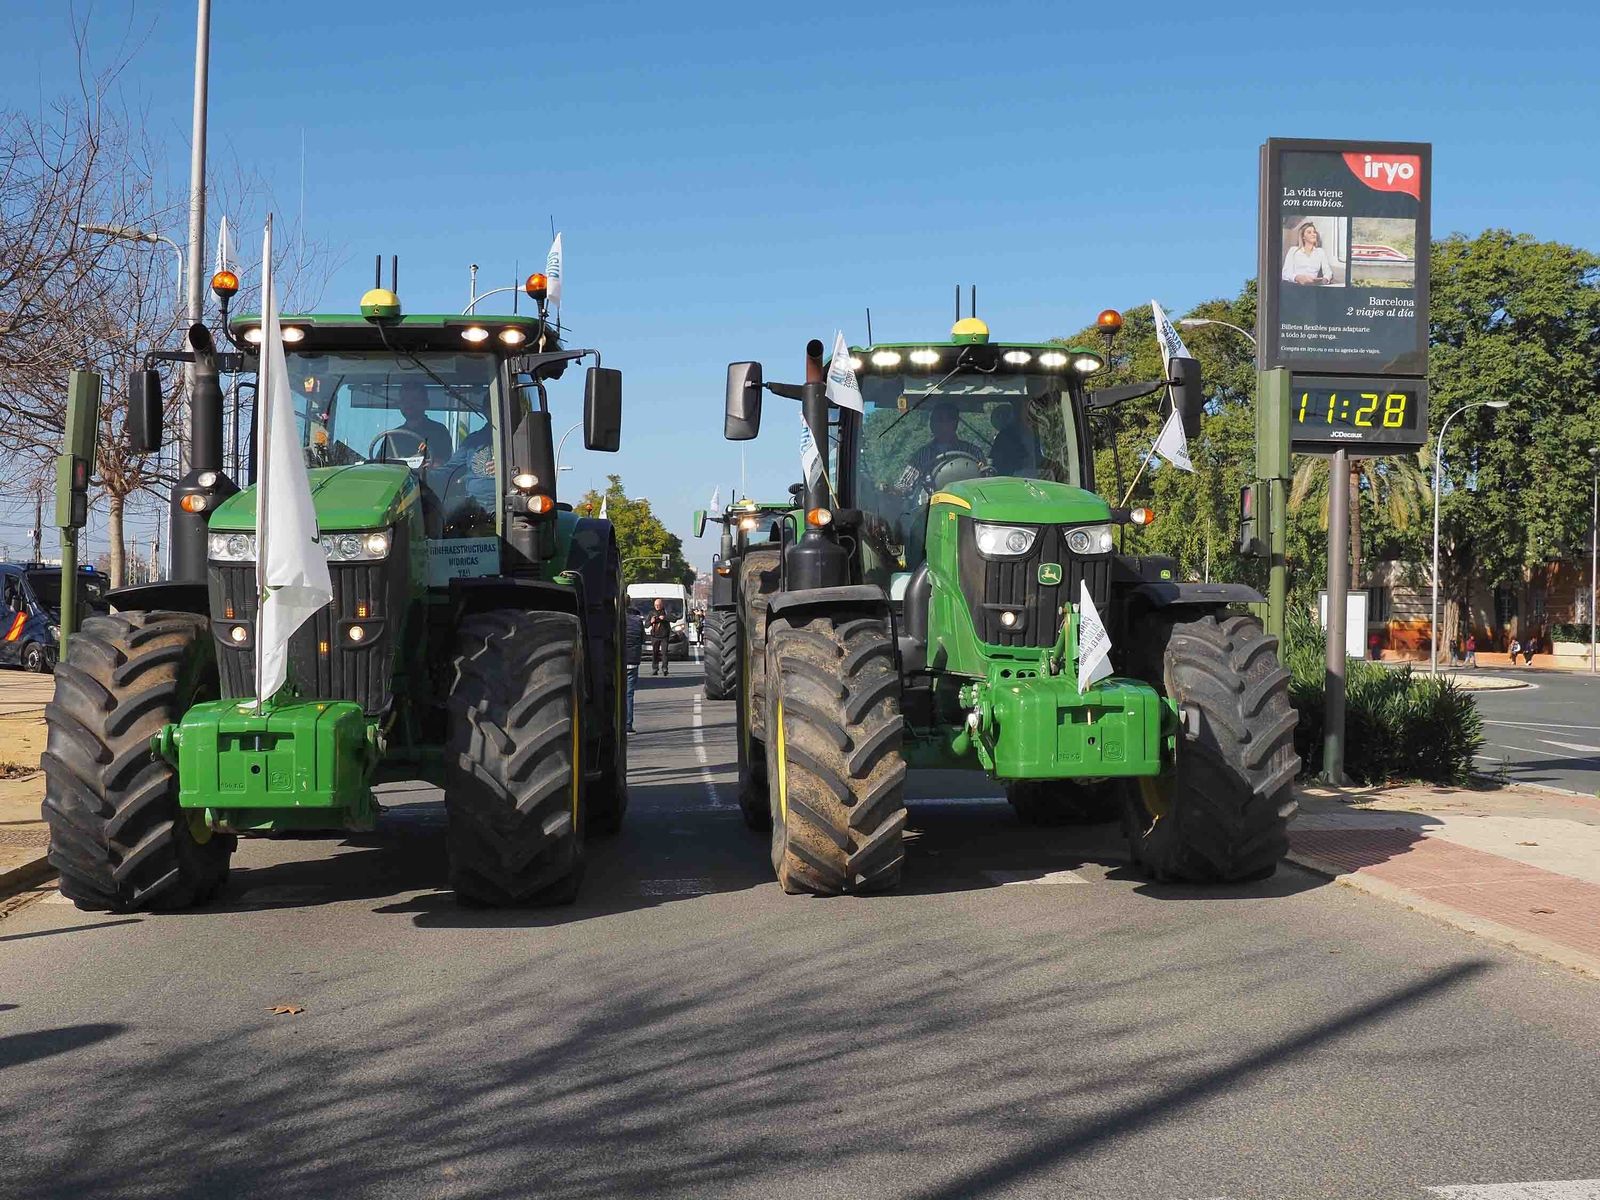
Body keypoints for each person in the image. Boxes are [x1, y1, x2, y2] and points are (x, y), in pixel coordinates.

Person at [382, 378, 454, 465]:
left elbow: (444, 464)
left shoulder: (439, 431)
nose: (408, 404)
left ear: (426, 403)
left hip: (425, 478)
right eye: (404, 400)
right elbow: (379, 464)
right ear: (399, 404)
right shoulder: (392, 436)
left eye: (414, 399)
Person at [910, 402, 983, 481]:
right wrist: (896, 491)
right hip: (932, 493)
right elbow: (904, 485)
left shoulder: (973, 452)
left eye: (941, 419)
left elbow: (985, 480)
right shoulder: (921, 455)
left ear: (954, 423)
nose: (935, 424)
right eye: (934, 419)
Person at [1282, 220, 1340, 286]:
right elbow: (1285, 273)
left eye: (1314, 232)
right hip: (1296, 286)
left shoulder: (1320, 252)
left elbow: (1328, 271)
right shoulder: (1293, 250)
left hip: (1314, 285)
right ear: (1303, 237)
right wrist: (1297, 278)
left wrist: (1325, 279)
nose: (1313, 234)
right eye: (1309, 232)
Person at [623, 605, 644, 732]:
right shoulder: (638, 622)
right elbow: (641, 640)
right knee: (629, 694)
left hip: (620, 660)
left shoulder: (617, 620)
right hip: (633, 660)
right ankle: (628, 725)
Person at [646, 598, 672, 677]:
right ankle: (655, 668)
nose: (657, 606)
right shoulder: (651, 613)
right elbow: (646, 625)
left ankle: (665, 668)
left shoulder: (666, 611)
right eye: (655, 605)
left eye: (658, 605)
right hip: (655, 636)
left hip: (664, 636)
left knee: (664, 653)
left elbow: (674, 619)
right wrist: (651, 621)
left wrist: (665, 618)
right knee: (655, 653)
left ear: (662, 605)